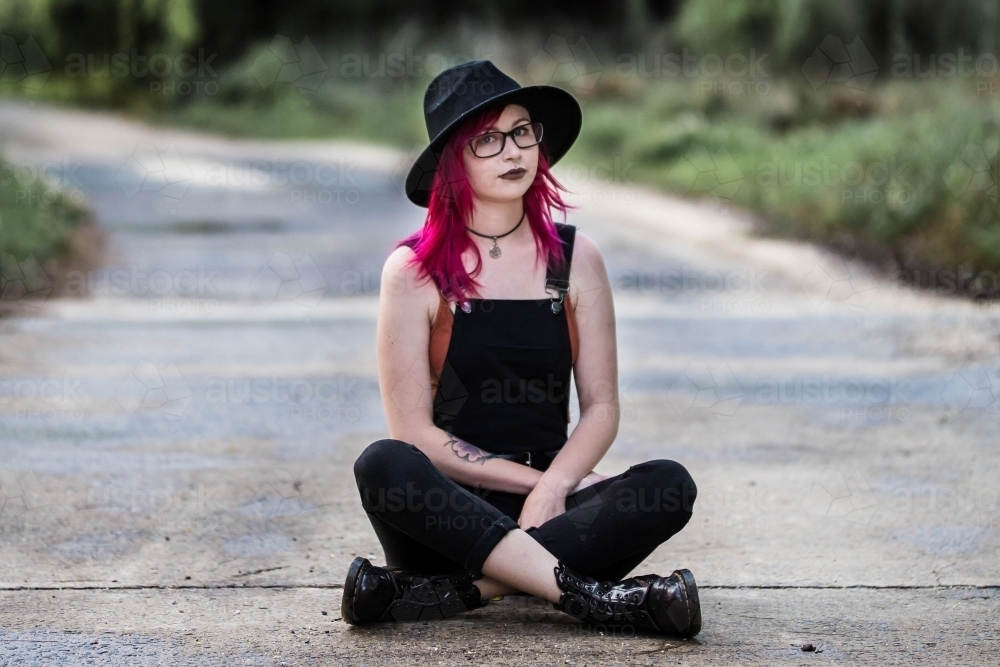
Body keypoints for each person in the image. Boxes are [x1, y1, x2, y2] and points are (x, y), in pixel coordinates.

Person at [342, 60, 700, 637]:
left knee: (667, 485)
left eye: (522, 131)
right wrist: (542, 486)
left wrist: (559, 486)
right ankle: (592, 595)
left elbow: (602, 407)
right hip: (446, 519)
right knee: (383, 462)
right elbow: (415, 434)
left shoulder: (576, 259)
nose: (513, 152)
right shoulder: (413, 273)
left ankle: (455, 594)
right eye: (487, 139)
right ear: (453, 160)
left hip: (555, 512)